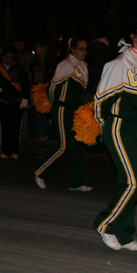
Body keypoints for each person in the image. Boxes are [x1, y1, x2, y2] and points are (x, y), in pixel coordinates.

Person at [93, 16, 137, 251]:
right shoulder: (121, 63)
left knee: (126, 182)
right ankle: (105, 224)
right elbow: (100, 99)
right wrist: (102, 128)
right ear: (133, 36)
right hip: (120, 127)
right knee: (135, 182)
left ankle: (126, 235)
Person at [34, 37, 91, 191]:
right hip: (63, 109)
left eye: (86, 49)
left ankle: (77, 182)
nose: (84, 52)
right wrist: (52, 104)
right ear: (72, 49)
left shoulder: (84, 65)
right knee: (66, 146)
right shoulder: (66, 65)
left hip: (77, 110)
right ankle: (41, 172)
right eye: (80, 49)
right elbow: (52, 88)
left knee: (78, 147)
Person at [0, 45, 30, 159]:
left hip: (17, 102)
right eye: (6, 57)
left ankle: (15, 151)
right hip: (3, 102)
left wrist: (25, 98)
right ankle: (4, 150)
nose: (8, 60)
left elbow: (25, 83)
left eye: (10, 57)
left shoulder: (19, 68)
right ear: (2, 57)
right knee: (4, 127)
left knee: (16, 127)